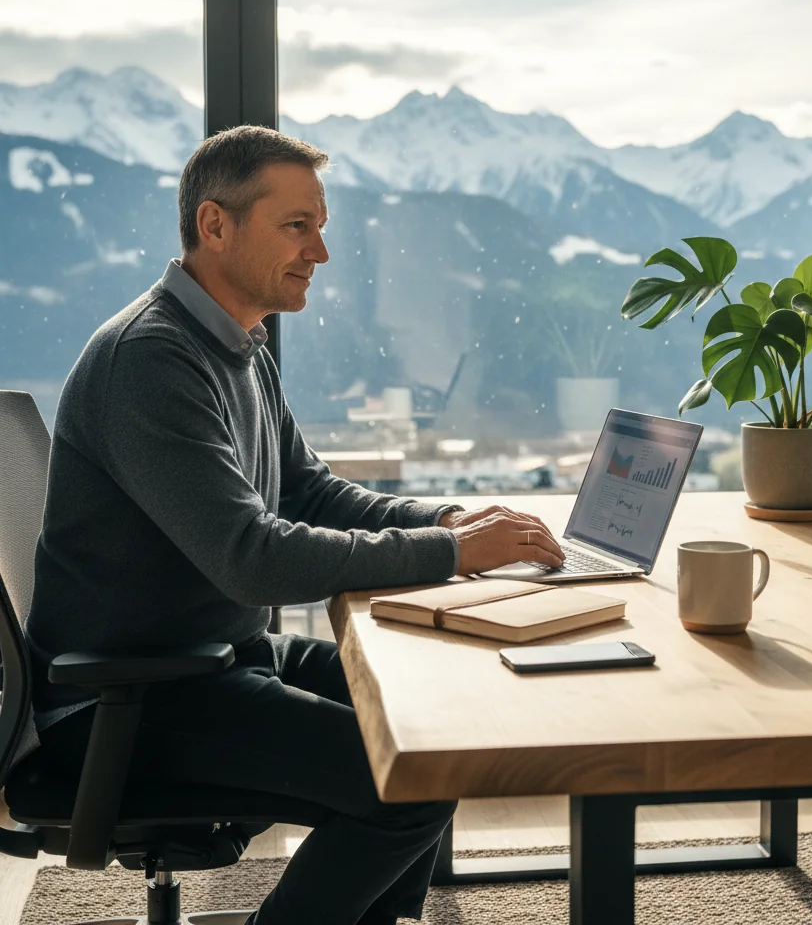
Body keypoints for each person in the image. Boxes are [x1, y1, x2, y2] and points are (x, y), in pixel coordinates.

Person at [26, 125, 565, 924]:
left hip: (217, 658)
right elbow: (253, 560)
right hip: (129, 697)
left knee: (425, 727)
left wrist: (449, 518)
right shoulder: (150, 360)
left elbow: (306, 492)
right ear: (215, 226)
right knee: (407, 780)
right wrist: (451, 551)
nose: (318, 250)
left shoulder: (237, 341)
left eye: (320, 226)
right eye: (295, 226)